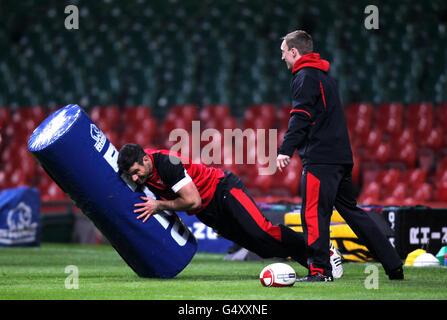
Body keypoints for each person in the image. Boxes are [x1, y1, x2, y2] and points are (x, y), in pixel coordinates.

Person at [276, 30, 403, 282]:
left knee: (312, 213)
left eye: (283, 52)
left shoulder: (304, 77)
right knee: (352, 212)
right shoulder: (325, 78)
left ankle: (320, 270)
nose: (282, 58)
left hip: (321, 159)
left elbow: (300, 116)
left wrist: (285, 149)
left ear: (294, 51)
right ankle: (393, 263)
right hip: (341, 157)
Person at [117, 143, 343, 278]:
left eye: (137, 172)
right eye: (131, 176)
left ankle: (323, 253)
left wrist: (159, 205)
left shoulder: (167, 163)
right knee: (262, 248)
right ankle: (316, 264)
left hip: (223, 190)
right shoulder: (141, 173)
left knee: (263, 231)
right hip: (209, 211)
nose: (135, 178)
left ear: (146, 159)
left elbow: (192, 201)